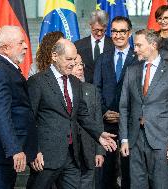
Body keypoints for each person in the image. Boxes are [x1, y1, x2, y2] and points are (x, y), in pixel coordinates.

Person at [26, 39, 117, 189]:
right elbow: (29, 119)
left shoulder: (75, 82)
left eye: (74, 59)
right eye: (68, 59)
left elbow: (82, 114)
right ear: (55, 56)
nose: (73, 64)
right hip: (45, 157)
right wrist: (34, 151)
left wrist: (99, 134)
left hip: (72, 156)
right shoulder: (37, 81)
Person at [119, 29, 168, 189]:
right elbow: (124, 107)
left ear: (153, 45)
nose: (135, 49)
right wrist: (124, 139)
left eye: (138, 45)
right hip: (135, 141)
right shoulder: (131, 70)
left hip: (163, 142)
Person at [0, 26, 37, 188]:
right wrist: (15, 149)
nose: (26, 46)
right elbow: (0, 114)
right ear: (5, 48)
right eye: (21, 42)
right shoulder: (0, 72)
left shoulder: (6, 69)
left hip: (1, 156)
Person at [93, 16, 137, 189]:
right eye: (114, 31)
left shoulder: (138, 58)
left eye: (122, 31)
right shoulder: (103, 58)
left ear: (130, 33)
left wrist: (125, 114)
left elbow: (142, 93)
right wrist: (104, 111)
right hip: (106, 123)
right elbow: (96, 89)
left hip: (130, 122)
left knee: (130, 171)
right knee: (107, 172)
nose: (118, 35)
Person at [72, 54, 105, 189]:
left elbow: (98, 122)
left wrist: (99, 151)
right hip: (67, 153)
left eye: (81, 64)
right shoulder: (59, 89)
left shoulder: (92, 90)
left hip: (89, 152)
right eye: (75, 65)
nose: (80, 68)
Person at [75, 10, 114, 83]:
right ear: (90, 25)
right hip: (85, 89)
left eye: (102, 30)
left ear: (106, 27)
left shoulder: (114, 45)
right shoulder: (78, 45)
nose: (99, 33)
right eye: (96, 30)